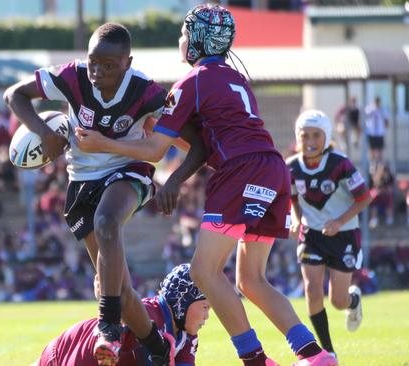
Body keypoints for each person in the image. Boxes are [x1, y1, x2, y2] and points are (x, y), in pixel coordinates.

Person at [75, 5, 337, 366]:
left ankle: (255, 360)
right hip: (273, 169)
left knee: (203, 271)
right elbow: (207, 139)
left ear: (196, 40)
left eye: (184, 34)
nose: (180, 41)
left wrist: (101, 143)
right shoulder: (235, 78)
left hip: (239, 172)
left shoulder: (192, 81)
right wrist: (175, 164)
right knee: (251, 280)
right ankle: (314, 354)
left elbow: (154, 150)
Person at [4, 23, 175, 365]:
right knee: (119, 290)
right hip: (81, 180)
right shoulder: (72, 76)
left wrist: (178, 178)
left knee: (107, 221)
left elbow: (183, 134)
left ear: (127, 62)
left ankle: (107, 329)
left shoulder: (147, 91)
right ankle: (160, 351)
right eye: (93, 61)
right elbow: (15, 94)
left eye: (108, 64)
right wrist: (44, 133)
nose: (97, 70)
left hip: (129, 172)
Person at [287, 110, 372, 361]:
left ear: (327, 137)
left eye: (316, 135)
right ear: (297, 137)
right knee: (312, 291)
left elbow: (364, 198)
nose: (310, 141)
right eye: (305, 136)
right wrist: (295, 217)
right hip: (311, 235)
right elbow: (292, 197)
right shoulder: (290, 166)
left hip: (344, 236)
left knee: (337, 300)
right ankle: (327, 352)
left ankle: (352, 301)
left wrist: (339, 221)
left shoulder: (340, 163)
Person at [33, 264, 209, 366]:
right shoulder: (148, 313)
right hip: (72, 349)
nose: (207, 316)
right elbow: (108, 345)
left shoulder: (187, 336)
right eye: (205, 307)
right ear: (182, 301)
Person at [364, 97, 389, 163]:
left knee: (380, 150)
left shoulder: (383, 109)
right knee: (371, 149)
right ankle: (372, 165)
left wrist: (385, 128)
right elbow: (365, 116)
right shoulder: (369, 109)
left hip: (380, 133)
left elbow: (386, 121)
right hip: (371, 132)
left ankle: (379, 165)